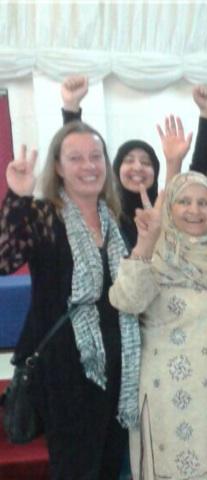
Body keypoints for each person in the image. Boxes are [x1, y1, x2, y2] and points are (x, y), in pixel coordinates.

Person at [2, 122, 140, 478]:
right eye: (75, 158)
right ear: (59, 167)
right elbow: (3, 260)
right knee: (76, 470)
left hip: (118, 369)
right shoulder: (43, 215)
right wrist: (16, 197)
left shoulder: (119, 220)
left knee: (111, 467)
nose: (88, 165)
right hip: (64, 373)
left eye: (96, 156)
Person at [109, 172, 207, 480]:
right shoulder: (158, 254)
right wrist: (144, 246)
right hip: (175, 397)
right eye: (184, 202)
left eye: (204, 202)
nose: (195, 210)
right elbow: (127, 300)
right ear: (169, 209)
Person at [59, 75, 194, 247]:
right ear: (115, 170)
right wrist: (71, 109)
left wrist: (174, 162)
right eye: (129, 160)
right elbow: (76, 160)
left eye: (146, 163)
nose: (137, 167)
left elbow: (168, 200)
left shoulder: (161, 212)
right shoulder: (102, 211)